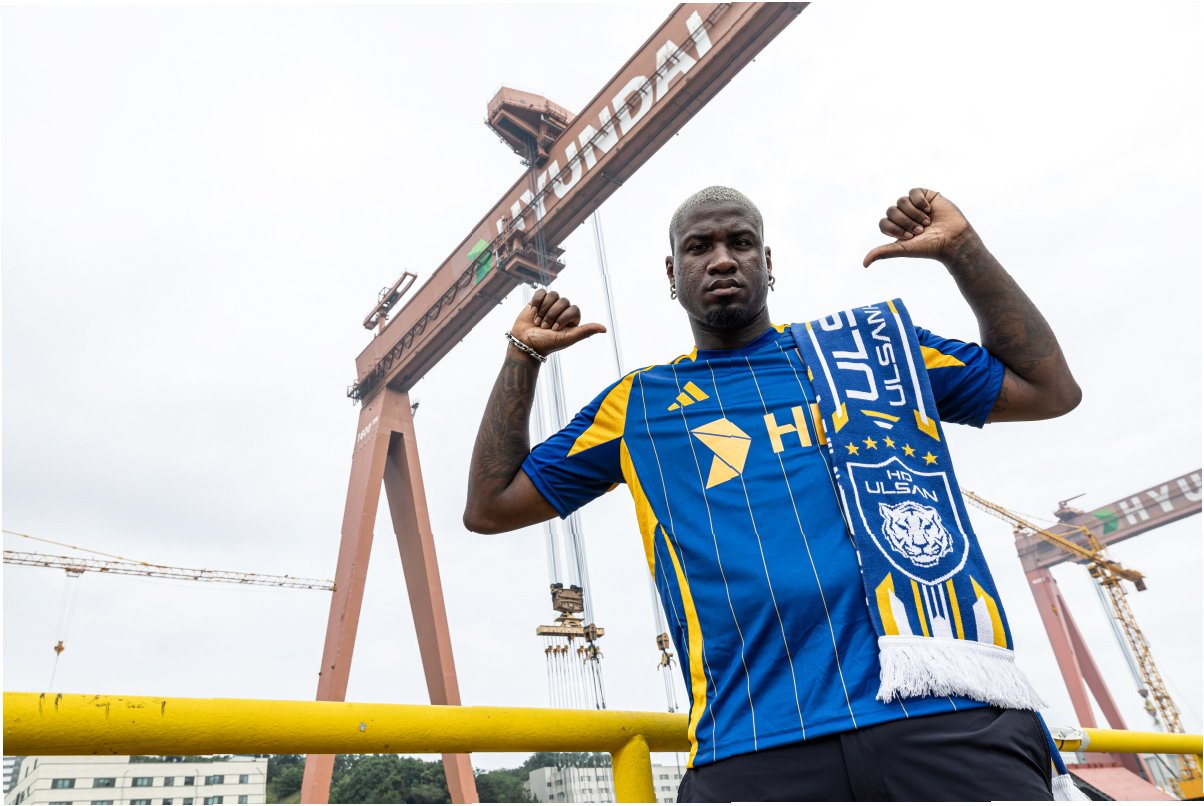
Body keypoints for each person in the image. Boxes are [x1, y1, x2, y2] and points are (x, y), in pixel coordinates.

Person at [463, 186, 1082, 801]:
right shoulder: (637, 406)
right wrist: (523, 356)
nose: (722, 260)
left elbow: (1048, 390)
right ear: (673, 275)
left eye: (741, 243)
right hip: (752, 742)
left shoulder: (869, 356)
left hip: (944, 712)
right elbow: (492, 506)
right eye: (699, 247)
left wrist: (963, 250)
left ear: (767, 262)